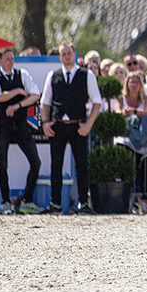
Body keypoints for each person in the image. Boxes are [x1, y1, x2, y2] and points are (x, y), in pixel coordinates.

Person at [40, 42, 102, 214]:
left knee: (82, 165)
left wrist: (88, 125)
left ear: (74, 54)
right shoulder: (53, 75)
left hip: (78, 125)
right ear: (59, 56)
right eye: (63, 53)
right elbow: (45, 102)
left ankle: (83, 203)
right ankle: (55, 203)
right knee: (56, 165)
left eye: (69, 53)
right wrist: (45, 123)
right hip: (58, 125)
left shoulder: (86, 74)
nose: (67, 56)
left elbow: (97, 102)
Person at [0, 48, 42, 214]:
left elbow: (35, 94)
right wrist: (18, 92)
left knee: (35, 161)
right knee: (2, 164)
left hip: (20, 124)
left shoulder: (22, 74)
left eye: (12, 58)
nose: (11, 61)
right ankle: (5, 201)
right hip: (3, 125)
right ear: (0, 61)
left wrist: (18, 105)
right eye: (7, 59)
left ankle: (27, 199)